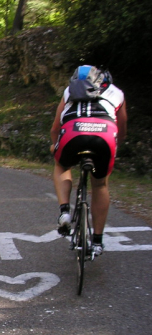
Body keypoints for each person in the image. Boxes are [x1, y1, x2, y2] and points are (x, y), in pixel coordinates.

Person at [50, 65, 128, 256]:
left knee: (62, 165)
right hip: (105, 137)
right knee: (100, 185)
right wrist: (116, 146)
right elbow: (122, 127)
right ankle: (98, 241)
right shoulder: (117, 93)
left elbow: (55, 127)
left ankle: (64, 211)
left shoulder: (69, 91)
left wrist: (54, 146)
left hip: (71, 134)